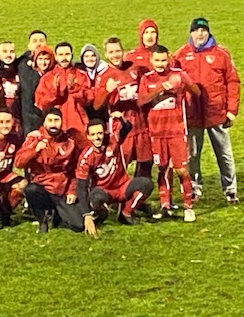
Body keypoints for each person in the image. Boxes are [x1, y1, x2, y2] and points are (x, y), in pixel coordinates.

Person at [174, 17, 240, 203]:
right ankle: (195, 188)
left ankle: (230, 189)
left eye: (203, 30)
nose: (200, 34)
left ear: (208, 32)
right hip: (192, 114)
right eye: (196, 31)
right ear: (191, 33)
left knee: (224, 153)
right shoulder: (181, 55)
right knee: (192, 154)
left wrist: (231, 111)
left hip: (216, 113)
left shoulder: (221, 54)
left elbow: (233, 82)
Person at [138, 45, 200, 222]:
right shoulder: (146, 79)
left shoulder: (178, 75)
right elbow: (141, 101)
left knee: (181, 170)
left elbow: (196, 91)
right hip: (157, 132)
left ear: (169, 59)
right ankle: (166, 205)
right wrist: (159, 90)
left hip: (177, 130)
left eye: (163, 60)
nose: (160, 64)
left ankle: (188, 205)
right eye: (157, 60)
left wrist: (183, 87)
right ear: (151, 60)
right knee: (162, 168)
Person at [15, 108, 96, 236]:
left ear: (62, 122)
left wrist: (72, 190)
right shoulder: (35, 138)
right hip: (42, 187)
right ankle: (42, 220)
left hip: (62, 190)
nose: (53, 124)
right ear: (44, 123)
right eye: (50, 120)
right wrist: (35, 150)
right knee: (30, 190)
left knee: (79, 225)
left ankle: (57, 214)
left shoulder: (70, 142)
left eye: (57, 120)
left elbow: (76, 169)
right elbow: (18, 163)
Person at [76, 116, 154, 227]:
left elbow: (127, 127)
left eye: (99, 133)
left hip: (122, 186)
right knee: (96, 198)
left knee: (147, 184)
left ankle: (126, 213)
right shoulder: (86, 157)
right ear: (88, 136)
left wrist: (121, 118)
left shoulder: (113, 141)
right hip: (104, 191)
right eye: (93, 135)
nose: (97, 137)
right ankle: (101, 213)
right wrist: (86, 215)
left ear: (105, 133)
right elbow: (81, 187)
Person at [94, 36, 152, 178]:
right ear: (106, 55)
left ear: (123, 51)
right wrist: (107, 91)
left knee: (146, 164)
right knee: (120, 165)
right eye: (111, 52)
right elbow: (96, 105)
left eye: (118, 51)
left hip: (140, 125)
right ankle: (118, 197)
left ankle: (138, 197)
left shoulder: (134, 69)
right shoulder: (104, 76)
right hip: (121, 128)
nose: (115, 55)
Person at [35, 42, 93, 149]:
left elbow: (88, 100)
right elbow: (41, 104)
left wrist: (75, 89)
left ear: (71, 55)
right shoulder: (47, 78)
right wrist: (54, 92)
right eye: (61, 55)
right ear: (56, 57)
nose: (64, 58)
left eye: (67, 54)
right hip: (55, 125)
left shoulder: (81, 75)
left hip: (77, 124)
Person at [18, 30, 48, 135]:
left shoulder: (52, 64)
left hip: (48, 115)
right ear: (29, 45)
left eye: (42, 41)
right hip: (29, 116)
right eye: (35, 41)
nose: (38, 43)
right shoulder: (22, 64)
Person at [75, 44, 108, 123]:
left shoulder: (105, 71)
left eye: (93, 56)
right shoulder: (78, 73)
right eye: (86, 56)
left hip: (103, 111)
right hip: (85, 112)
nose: (90, 59)